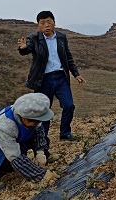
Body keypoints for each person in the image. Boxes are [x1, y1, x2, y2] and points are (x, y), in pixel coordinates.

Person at [0, 93, 60, 191]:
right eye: (36, 121)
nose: (38, 123)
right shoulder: (4, 126)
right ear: (24, 119)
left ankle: (46, 155)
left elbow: (38, 132)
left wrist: (40, 152)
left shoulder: (28, 112)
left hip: (8, 141)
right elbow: (15, 157)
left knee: (35, 134)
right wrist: (41, 175)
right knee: (8, 158)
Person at [17, 10, 86, 143]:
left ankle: (65, 133)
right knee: (44, 110)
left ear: (54, 22)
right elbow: (27, 48)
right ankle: (43, 139)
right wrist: (23, 48)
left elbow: (68, 57)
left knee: (69, 105)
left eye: (49, 22)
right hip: (43, 80)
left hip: (61, 77)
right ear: (38, 25)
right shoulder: (34, 38)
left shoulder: (61, 37)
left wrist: (76, 74)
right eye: (42, 23)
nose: (46, 25)